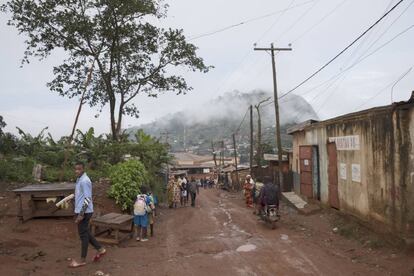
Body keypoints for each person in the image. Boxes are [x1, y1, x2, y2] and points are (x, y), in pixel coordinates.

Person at [69, 162, 106, 268]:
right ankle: (100, 249)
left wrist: (81, 214)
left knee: (83, 235)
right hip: (82, 210)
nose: (77, 171)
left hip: (84, 211)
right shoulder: (79, 179)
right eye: (75, 169)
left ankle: (82, 260)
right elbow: (81, 195)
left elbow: (87, 198)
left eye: (79, 169)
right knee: (85, 232)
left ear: (83, 169)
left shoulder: (85, 181)